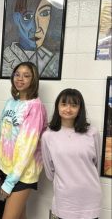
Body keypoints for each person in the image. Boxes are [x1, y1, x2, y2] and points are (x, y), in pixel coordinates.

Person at [41, 89, 102, 219]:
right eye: (64, 104)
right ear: (58, 106)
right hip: (64, 200)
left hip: (90, 198)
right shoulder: (48, 136)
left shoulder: (93, 133)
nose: (68, 109)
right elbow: (49, 172)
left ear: (80, 109)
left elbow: (96, 166)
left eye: (74, 105)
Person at [0, 61, 47, 219]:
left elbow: (27, 147)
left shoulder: (35, 106)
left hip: (22, 174)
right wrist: (0, 168)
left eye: (26, 76)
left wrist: (10, 181)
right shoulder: (10, 102)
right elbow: (2, 136)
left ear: (34, 80)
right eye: (17, 74)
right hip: (7, 169)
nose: (20, 79)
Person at [2, 0, 60, 78]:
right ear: (17, 18)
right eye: (28, 16)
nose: (36, 28)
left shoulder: (54, 60)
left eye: (44, 13)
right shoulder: (6, 60)